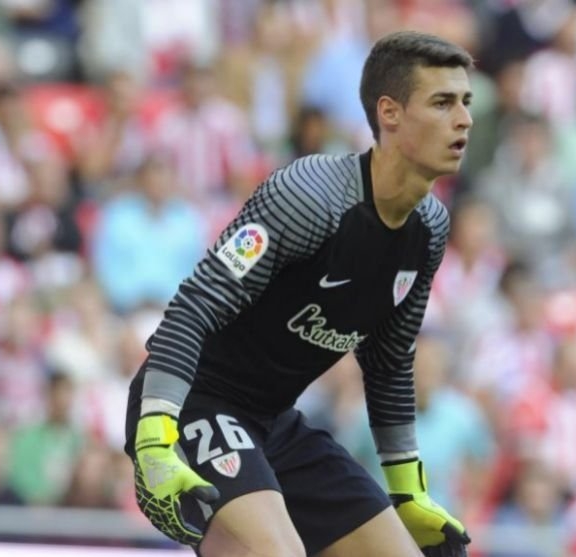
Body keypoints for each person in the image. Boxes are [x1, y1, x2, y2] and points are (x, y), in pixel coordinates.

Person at [125, 30, 474, 557]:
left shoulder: (431, 228)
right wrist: (156, 433)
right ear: (389, 113)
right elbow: (192, 308)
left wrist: (408, 490)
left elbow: (388, 361)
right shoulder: (310, 194)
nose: (464, 119)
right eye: (443, 103)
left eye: (466, 102)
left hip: (275, 422)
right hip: (196, 402)